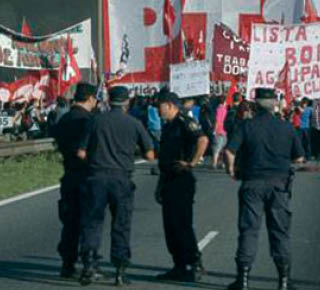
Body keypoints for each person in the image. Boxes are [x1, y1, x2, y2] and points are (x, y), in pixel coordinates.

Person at [224, 88, 305, 290]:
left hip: (252, 183)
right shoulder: (286, 127)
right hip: (279, 185)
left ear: (255, 104)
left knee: (249, 231)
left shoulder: (246, 126)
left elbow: (229, 151)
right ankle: (284, 281)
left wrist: (232, 170)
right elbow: (299, 158)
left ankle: (243, 280)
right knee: (280, 232)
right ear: (274, 105)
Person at [76, 86, 155, 286]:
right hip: (121, 179)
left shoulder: (96, 121)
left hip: (97, 177)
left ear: (108, 101)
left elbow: (81, 153)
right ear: (127, 102)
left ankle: (88, 265)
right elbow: (150, 155)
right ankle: (120, 271)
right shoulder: (135, 124)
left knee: (92, 223)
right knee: (121, 225)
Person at [154, 91, 209, 283]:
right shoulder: (168, 126)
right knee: (170, 226)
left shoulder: (184, 120)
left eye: (159, 106)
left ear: (170, 105)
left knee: (182, 224)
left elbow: (202, 139)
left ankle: (193, 263)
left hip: (182, 179)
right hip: (168, 179)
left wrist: (193, 162)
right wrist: (160, 184)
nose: (157, 110)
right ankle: (178, 265)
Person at [51, 83, 97, 279]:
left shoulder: (64, 120)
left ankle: (67, 263)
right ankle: (89, 262)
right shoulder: (90, 121)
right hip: (87, 175)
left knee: (70, 221)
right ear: (90, 98)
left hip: (69, 174)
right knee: (89, 221)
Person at [212, 96, 229, 170]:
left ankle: (214, 163)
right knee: (223, 148)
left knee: (217, 148)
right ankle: (222, 163)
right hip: (225, 130)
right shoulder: (225, 109)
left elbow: (217, 121)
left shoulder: (218, 109)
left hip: (219, 130)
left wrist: (214, 130)